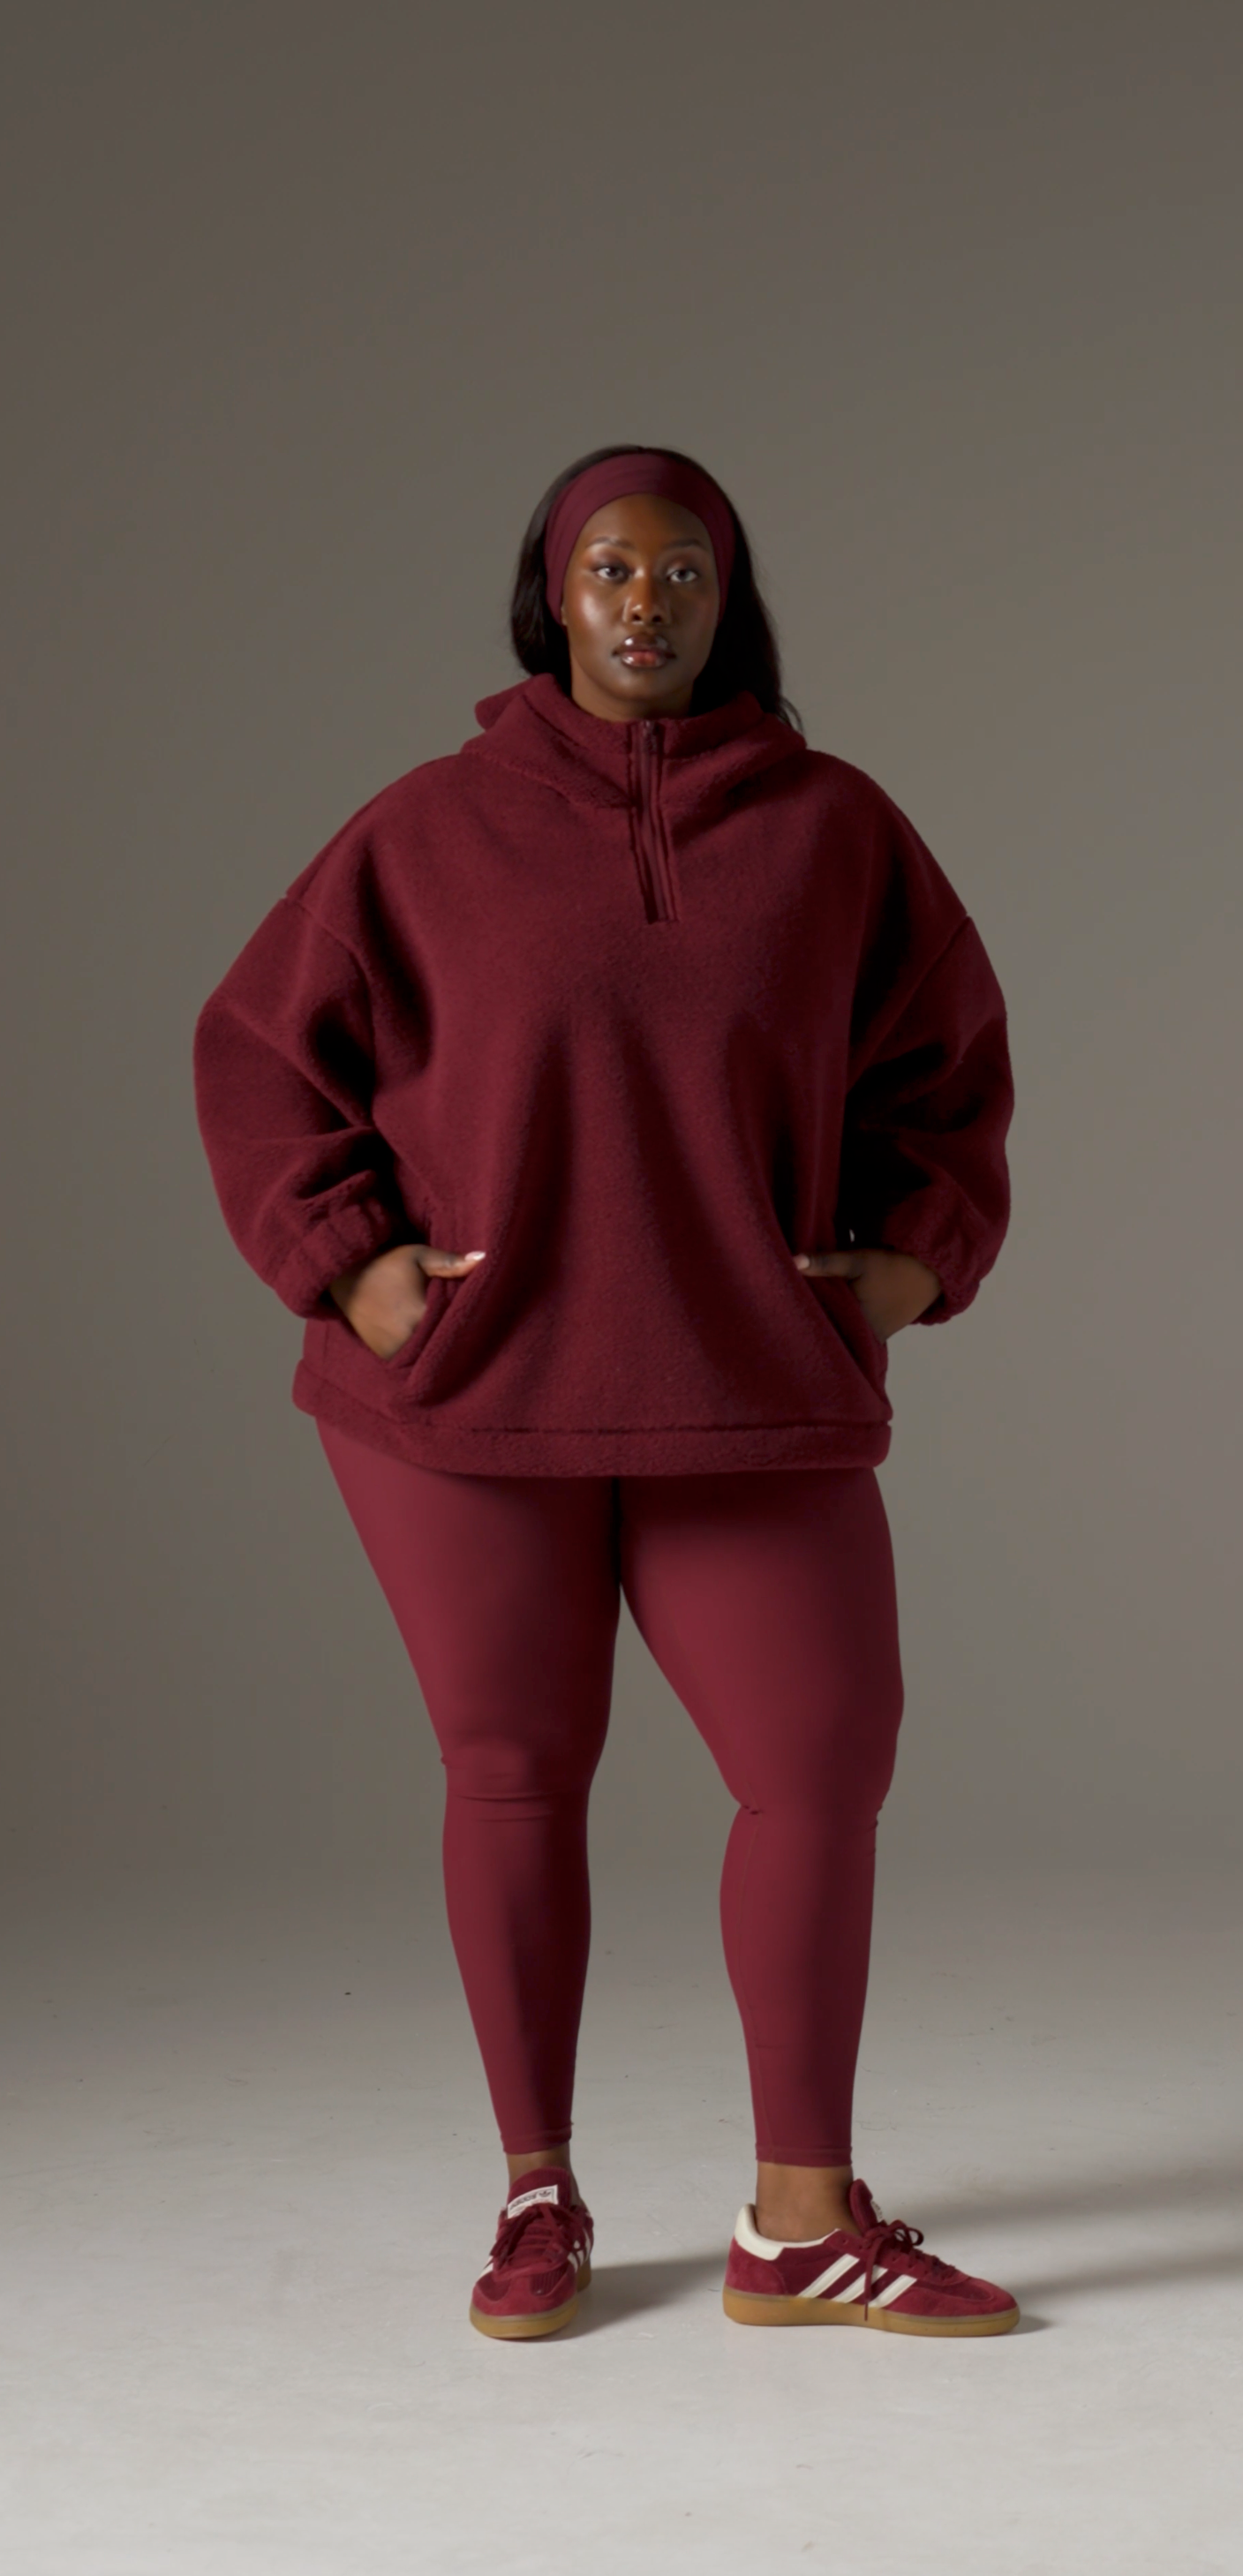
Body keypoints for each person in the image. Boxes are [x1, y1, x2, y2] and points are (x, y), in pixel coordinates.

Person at [192, 443, 1019, 2343]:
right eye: (615, 569)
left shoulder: (836, 829)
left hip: (746, 1380)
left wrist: (915, 1252)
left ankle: (797, 2223)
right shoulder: (423, 832)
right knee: (514, 1770)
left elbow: (950, 1065)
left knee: (819, 1760)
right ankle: (537, 2194)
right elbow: (254, 1051)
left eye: (686, 571)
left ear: (731, 602)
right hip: (471, 1400)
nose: (649, 601)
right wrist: (352, 1261)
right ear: (551, 594)